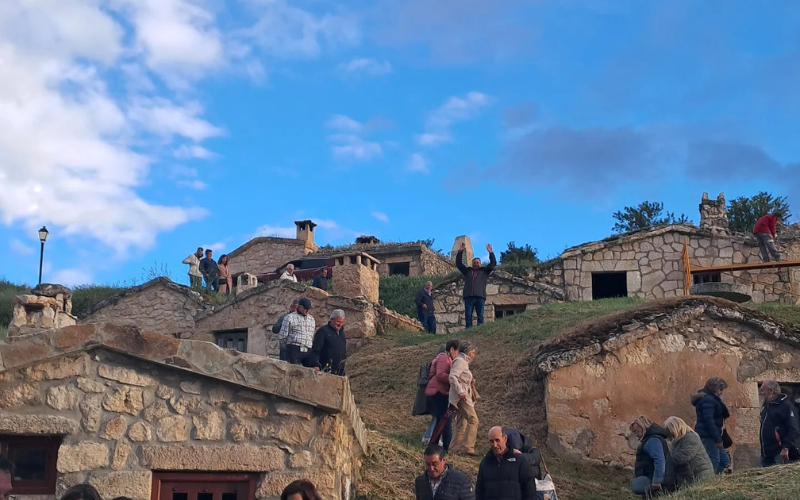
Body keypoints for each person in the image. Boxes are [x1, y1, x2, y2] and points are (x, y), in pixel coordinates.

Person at [475, 426, 537, 500]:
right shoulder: (485, 463)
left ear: (505, 439)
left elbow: (530, 492)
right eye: (491, 441)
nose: (495, 445)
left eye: (497, 440)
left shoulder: (519, 461)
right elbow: (479, 492)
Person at [691, 376, 731, 474]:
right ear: (714, 388)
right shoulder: (708, 400)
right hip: (708, 435)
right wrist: (717, 439)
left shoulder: (712, 399)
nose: (722, 392)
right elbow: (709, 421)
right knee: (714, 460)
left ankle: (715, 477)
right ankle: (709, 480)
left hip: (712, 434)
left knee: (724, 460)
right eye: (720, 389)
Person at [630, 416, 677, 497]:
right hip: (654, 480)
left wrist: (657, 481)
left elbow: (659, 460)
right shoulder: (652, 439)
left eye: (637, 431)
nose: (636, 435)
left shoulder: (652, 440)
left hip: (656, 483)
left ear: (643, 427)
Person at [425, 340, 460, 450]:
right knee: (446, 420)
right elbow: (440, 375)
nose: (457, 355)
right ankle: (445, 446)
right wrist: (453, 379)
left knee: (442, 420)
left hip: (438, 391)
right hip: (437, 392)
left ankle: (435, 444)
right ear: (452, 349)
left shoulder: (446, 358)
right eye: (457, 351)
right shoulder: (444, 357)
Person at [663, 416, 714, 489]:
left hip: (701, 476)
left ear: (676, 427)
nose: (669, 434)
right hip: (689, 477)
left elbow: (684, 456)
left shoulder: (691, 437)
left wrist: (666, 462)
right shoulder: (677, 441)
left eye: (669, 431)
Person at [758, 379, 800, 467]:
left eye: (762, 390)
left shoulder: (786, 406)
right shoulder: (767, 407)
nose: (760, 393)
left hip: (779, 454)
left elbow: (793, 429)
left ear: (771, 391)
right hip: (766, 454)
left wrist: (786, 448)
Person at [455, 242, 496, 328]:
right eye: (474, 262)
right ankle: (468, 330)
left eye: (477, 262)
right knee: (468, 315)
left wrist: (491, 253)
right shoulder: (467, 271)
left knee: (480, 315)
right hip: (469, 296)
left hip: (480, 296)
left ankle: (480, 330)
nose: (476, 264)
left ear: (480, 264)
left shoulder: (484, 271)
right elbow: (458, 264)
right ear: (472, 264)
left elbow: (493, 264)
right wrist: (460, 252)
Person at [449, 341, 479, 455]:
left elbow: (458, 377)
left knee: (462, 422)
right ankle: (468, 447)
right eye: (473, 352)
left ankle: (454, 449)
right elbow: (452, 377)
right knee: (473, 420)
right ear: (468, 352)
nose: (473, 355)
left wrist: (469, 381)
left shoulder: (461, 361)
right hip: (462, 397)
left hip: (461, 396)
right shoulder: (460, 361)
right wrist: (461, 392)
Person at [416, 344, 445, 445]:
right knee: (438, 416)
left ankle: (430, 437)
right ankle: (428, 437)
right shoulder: (428, 366)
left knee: (438, 416)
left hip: (435, 395)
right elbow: (421, 382)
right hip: (429, 396)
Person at [278, 298, 316, 366]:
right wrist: (288, 348)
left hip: (307, 349)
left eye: (308, 309)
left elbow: (311, 335)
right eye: (305, 309)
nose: (307, 311)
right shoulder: (289, 317)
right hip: (294, 349)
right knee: (293, 370)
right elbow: (282, 336)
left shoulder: (311, 319)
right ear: (300, 307)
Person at [309, 309, 347, 376]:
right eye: (338, 321)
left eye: (342, 322)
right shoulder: (323, 331)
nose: (340, 324)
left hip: (339, 371)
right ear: (332, 319)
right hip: (325, 369)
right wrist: (315, 364)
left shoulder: (342, 333)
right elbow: (316, 349)